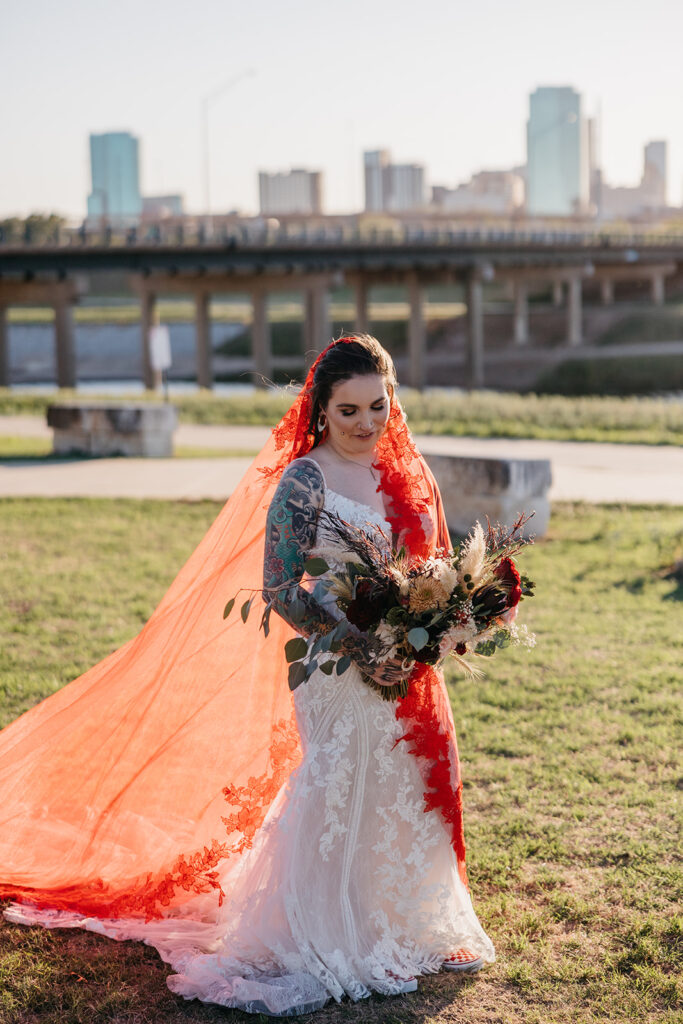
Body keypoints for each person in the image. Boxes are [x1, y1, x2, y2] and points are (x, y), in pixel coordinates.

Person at [0, 335, 494, 1017]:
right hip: (332, 664)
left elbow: (430, 571)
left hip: (400, 664)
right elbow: (280, 587)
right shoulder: (304, 480)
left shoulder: (402, 473)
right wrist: (356, 642)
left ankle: (400, 918)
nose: (364, 422)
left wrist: (430, 630)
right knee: (338, 777)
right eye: (347, 409)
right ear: (319, 410)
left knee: (397, 780)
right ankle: (318, 930)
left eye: (376, 406)